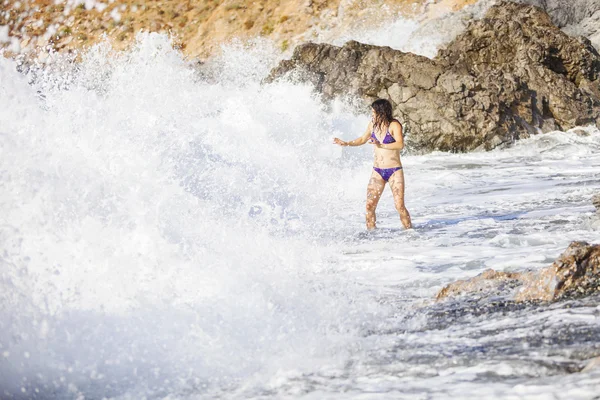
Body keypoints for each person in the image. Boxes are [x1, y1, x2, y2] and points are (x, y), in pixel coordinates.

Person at [333, 99, 412, 230]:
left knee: (399, 206)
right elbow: (362, 139)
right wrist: (346, 143)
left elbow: (400, 144)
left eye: (374, 112)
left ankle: (410, 232)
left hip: (394, 171)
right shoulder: (372, 125)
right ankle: (371, 235)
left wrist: (381, 144)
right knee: (369, 206)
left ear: (382, 112)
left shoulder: (394, 125)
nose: (372, 114)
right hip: (378, 171)